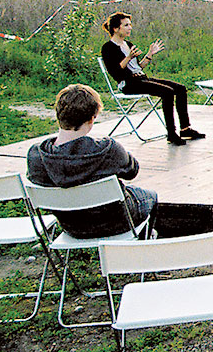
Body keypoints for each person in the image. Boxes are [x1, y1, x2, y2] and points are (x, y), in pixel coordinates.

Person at [26, 84, 157, 238]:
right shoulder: (108, 149)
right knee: (151, 195)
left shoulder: (36, 155)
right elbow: (132, 171)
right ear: (92, 118)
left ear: (58, 115)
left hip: (72, 227)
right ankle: (145, 239)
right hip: (118, 222)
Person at [100, 12, 203, 147]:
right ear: (115, 29)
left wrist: (149, 55)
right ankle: (171, 133)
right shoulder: (108, 48)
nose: (130, 28)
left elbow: (138, 67)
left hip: (141, 78)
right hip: (128, 84)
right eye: (126, 25)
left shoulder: (128, 44)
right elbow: (116, 72)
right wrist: (128, 57)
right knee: (167, 92)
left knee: (180, 88)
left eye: (130, 25)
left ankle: (185, 129)